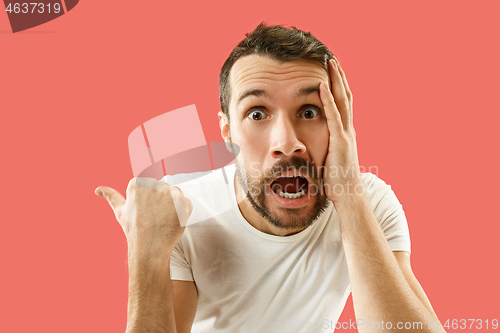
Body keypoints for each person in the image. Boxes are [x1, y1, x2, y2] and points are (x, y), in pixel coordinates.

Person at [95, 23, 446, 333]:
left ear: (341, 123)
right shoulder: (182, 213)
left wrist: (349, 193)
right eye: (258, 113)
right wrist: (146, 255)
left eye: (310, 112)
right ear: (228, 131)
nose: (287, 143)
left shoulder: (368, 202)